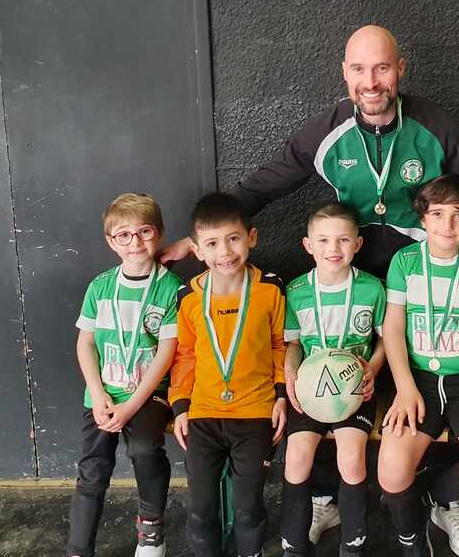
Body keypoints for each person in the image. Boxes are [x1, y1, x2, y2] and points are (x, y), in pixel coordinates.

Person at [161, 24, 459, 555]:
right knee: (328, 379)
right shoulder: (327, 130)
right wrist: (199, 240)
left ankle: (448, 501)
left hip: (417, 276)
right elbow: (265, 183)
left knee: (418, 387)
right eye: (359, 69)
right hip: (349, 268)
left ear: (401, 70)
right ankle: (325, 495)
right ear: (344, 73)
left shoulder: (435, 126)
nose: (370, 82)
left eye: (381, 68)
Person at [378, 175, 459, 557]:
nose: (447, 225)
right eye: (437, 214)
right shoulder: (405, 262)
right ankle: (411, 536)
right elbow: (393, 327)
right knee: (392, 472)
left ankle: (444, 500)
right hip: (418, 379)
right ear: (423, 218)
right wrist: (404, 387)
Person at [168, 193, 288, 557]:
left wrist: (282, 395)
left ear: (251, 237)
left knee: (248, 508)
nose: (225, 252)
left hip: (255, 413)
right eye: (212, 244)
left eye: (233, 238)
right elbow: (185, 354)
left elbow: (281, 345)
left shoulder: (270, 289)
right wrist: (181, 406)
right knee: (201, 510)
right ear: (196, 250)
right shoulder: (188, 297)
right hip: (203, 414)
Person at [67, 193, 182, 557]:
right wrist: (98, 393)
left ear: (159, 233)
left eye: (144, 231)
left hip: (148, 394)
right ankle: (78, 548)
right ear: (111, 242)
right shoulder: (100, 287)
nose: (135, 242)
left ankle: (151, 531)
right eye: (123, 235)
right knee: (92, 469)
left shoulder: (171, 288)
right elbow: (86, 344)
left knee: (144, 449)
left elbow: (166, 354)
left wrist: (131, 406)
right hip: (103, 396)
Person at [280, 203, 387, 557]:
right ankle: (293, 545)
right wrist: (290, 371)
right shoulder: (296, 291)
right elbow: (294, 345)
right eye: (323, 240)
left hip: (355, 388)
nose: (333, 248)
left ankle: (353, 546)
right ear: (308, 245)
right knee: (296, 457)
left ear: (357, 244)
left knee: (351, 458)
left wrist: (372, 368)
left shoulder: (372, 289)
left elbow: (385, 339)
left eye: (343, 239)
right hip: (310, 390)